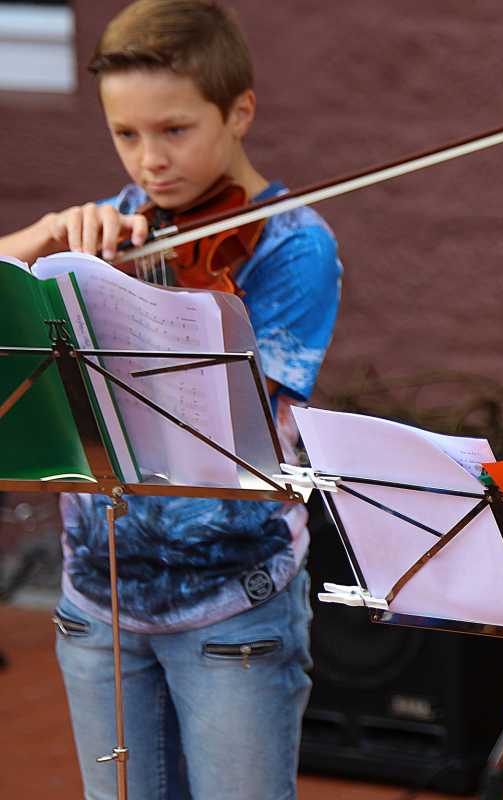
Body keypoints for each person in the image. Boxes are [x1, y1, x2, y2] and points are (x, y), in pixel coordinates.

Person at [1, 2, 341, 797]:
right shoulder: (107, 230)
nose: (149, 162)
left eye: (175, 130)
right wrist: (42, 242)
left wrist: (147, 299)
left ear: (239, 112)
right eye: (126, 134)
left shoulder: (293, 246)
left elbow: (227, 425)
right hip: (97, 601)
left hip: (230, 607)